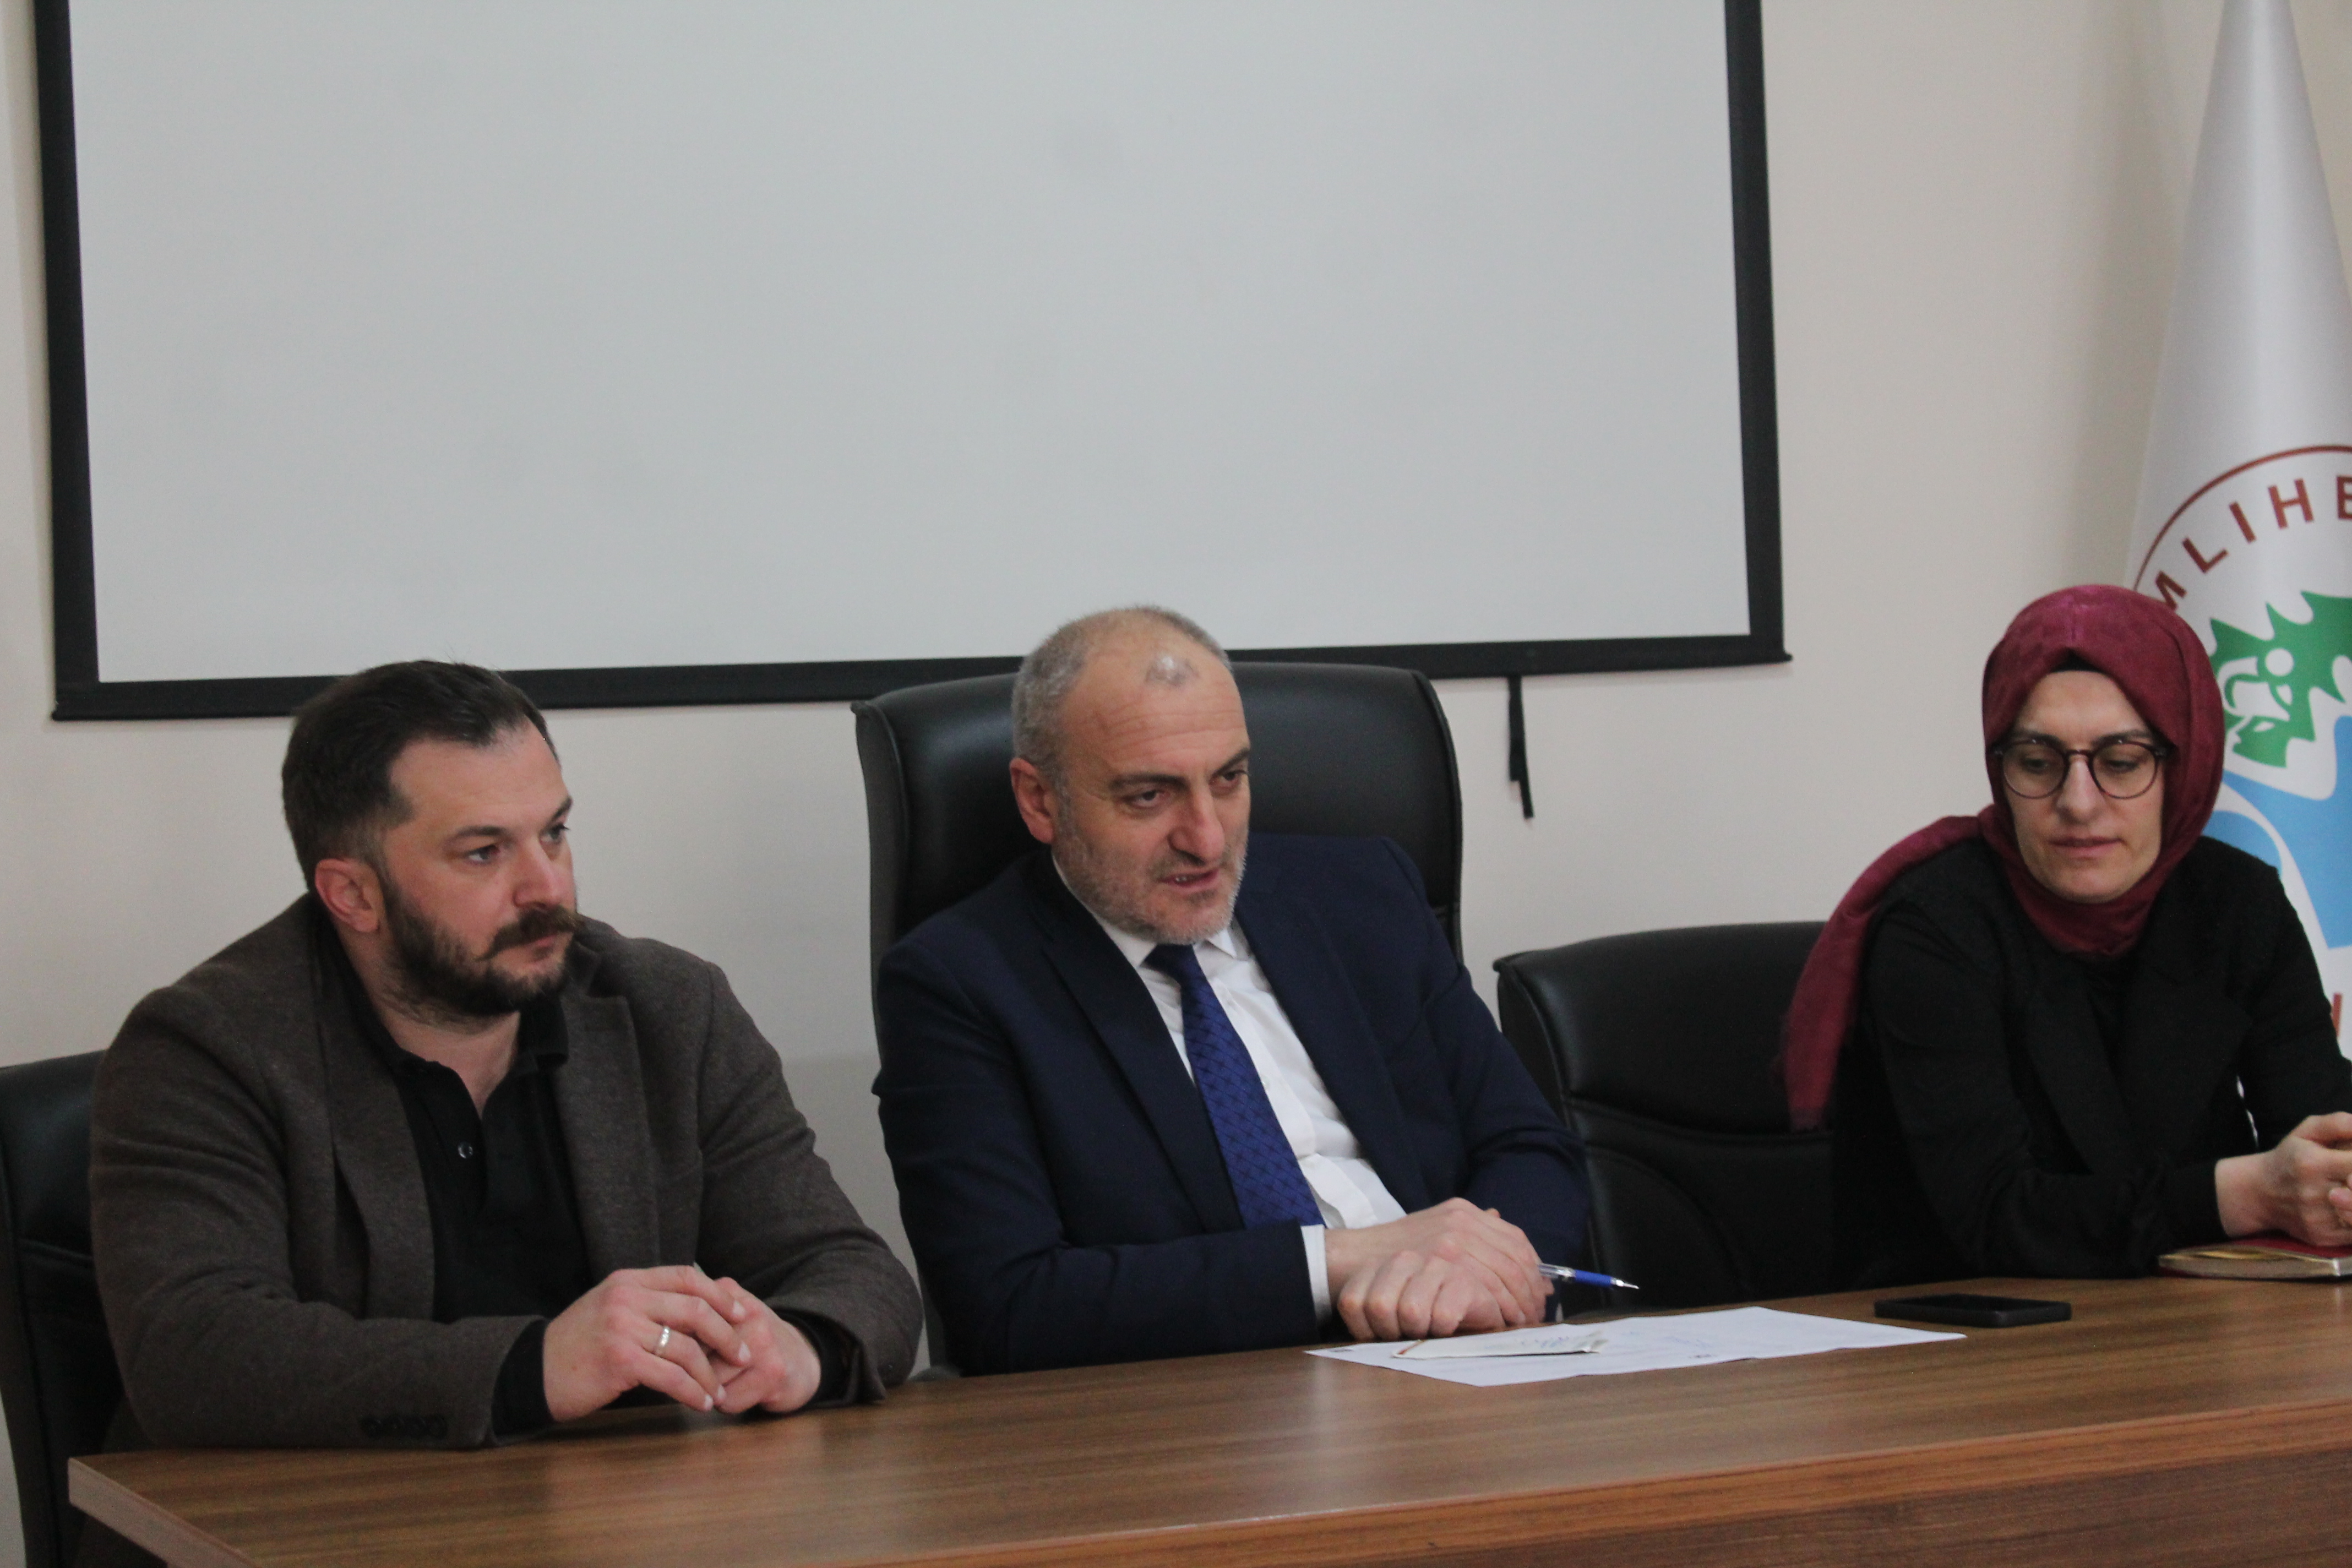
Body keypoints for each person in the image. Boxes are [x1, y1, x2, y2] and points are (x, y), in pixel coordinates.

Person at [92, 661, 923, 1456]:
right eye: (484, 852)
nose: (546, 889)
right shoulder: (207, 1047)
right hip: (310, 1524)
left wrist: (799, 1347)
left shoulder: (668, 1009)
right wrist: (532, 1368)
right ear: (353, 894)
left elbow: (854, 1273)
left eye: (554, 833)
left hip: (620, 1516)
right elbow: (190, 1352)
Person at [872, 607, 1587, 1374]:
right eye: (1150, 796)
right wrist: (1342, 1259)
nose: (1208, 839)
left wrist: (1481, 1269)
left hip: (1472, 1355)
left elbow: (1529, 1148)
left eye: (1229, 779)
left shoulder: (1363, 895)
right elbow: (1009, 1305)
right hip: (1219, 1404)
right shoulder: (962, 983)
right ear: (1041, 800)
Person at [1784, 586, 2352, 1289]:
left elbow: (2324, 1134)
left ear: (2184, 766)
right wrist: (2252, 1194)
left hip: (2195, 1315)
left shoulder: (2238, 903)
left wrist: (2333, 1181)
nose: (2079, 803)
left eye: (2122, 761)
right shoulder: (1934, 927)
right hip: (1967, 1326)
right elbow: (1997, 1217)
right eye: (2037, 761)